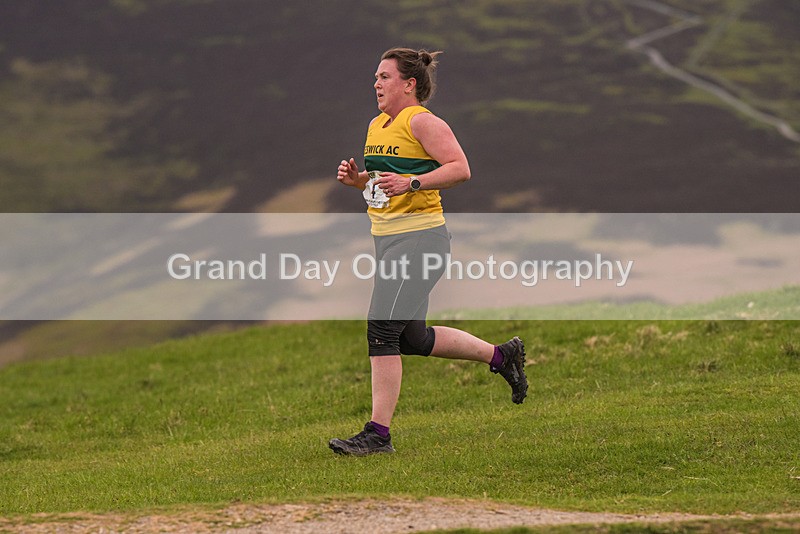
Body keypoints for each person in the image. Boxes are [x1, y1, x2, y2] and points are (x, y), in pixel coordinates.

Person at [329, 47, 527, 456]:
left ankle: (378, 435)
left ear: (409, 83)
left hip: (421, 239)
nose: (376, 84)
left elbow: (459, 167)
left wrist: (413, 186)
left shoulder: (422, 121)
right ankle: (501, 356)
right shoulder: (377, 124)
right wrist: (358, 181)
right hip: (388, 240)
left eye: (384, 77)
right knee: (413, 338)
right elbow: (389, 176)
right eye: (376, 77)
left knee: (382, 329)